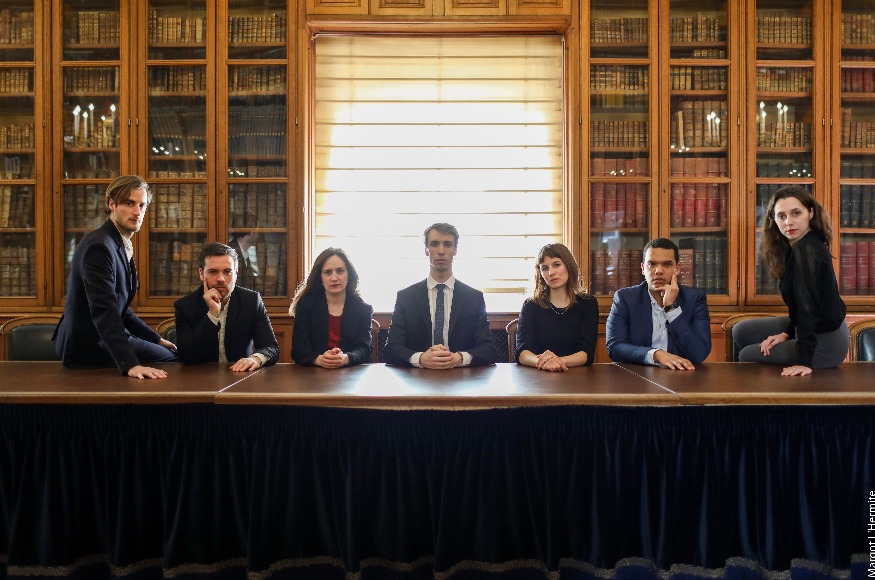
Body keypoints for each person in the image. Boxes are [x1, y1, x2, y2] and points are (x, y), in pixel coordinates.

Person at [53, 175, 177, 379]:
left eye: (142, 205)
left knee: (169, 353)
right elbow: (105, 310)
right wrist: (131, 365)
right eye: (129, 204)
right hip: (89, 344)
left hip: (103, 336)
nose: (137, 212)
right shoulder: (99, 246)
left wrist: (156, 339)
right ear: (112, 204)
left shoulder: (118, 242)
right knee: (173, 361)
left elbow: (121, 307)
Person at [732, 185, 847, 376]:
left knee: (746, 354)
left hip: (826, 342)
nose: (788, 222)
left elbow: (808, 309)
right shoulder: (795, 246)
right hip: (818, 326)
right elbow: (799, 307)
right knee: (741, 331)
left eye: (796, 213)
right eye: (781, 216)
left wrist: (804, 362)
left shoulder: (807, 250)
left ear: (810, 213)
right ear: (774, 220)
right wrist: (786, 334)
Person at [384, 223, 497, 368]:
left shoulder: (473, 298)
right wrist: (420, 358)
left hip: (461, 377)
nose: (441, 251)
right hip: (417, 377)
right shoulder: (406, 297)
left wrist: (460, 358)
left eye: (447, 244)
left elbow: (489, 349)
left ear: (455, 250)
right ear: (426, 250)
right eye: (435, 244)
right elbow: (391, 349)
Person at [606, 237, 711, 369]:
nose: (659, 270)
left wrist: (671, 308)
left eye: (667, 264)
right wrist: (656, 354)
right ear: (643, 268)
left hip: (680, 375)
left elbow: (699, 353)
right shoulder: (625, 298)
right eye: (652, 264)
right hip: (638, 374)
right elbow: (615, 347)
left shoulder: (694, 299)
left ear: (677, 269)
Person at [174, 242, 279, 370]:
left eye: (227, 271)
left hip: (239, 374)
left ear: (236, 273)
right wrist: (212, 315)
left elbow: (271, 347)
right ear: (201, 274)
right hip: (201, 376)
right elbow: (186, 356)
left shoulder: (251, 301)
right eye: (213, 272)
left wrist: (255, 359)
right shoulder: (185, 306)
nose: (221, 279)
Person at [515, 243, 598, 371]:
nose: (551, 272)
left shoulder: (587, 303)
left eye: (556, 265)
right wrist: (543, 363)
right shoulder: (531, 305)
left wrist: (559, 362)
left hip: (575, 374)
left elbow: (586, 353)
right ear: (540, 273)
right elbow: (522, 352)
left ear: (568, 265)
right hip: (538, 374)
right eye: (544, 268)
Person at [290, 248, 373, 367]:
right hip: (314, 373)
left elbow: (364, 349)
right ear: (320, 277)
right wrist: (319, 360)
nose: (334, 278)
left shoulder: (363, 310)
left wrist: (346, 358)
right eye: (328, 272)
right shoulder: (306, 306)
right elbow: (298, 350)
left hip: (350, 372)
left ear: (348, 274)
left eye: (340, 271)